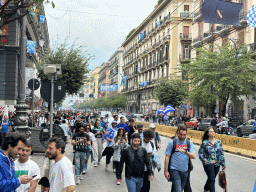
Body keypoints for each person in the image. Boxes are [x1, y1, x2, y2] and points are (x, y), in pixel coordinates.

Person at [164, 125, 196, 192]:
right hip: (174, 169)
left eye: (184, 135)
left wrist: (186, 152)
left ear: (187, 134)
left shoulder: (189, 143)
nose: (182, 136)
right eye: (180, 134)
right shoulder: (172, 142)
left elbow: (193, 156)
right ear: (177, 133)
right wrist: (166, 171)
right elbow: (167, 157)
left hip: (185, 171)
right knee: (178, 190)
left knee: (179, 189)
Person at [198, 127, 225, 192]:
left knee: (211, 178)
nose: (212, 132)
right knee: (212, 179)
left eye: (213, 131)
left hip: (217, 164)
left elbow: (221, 153)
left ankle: (205, 189)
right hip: (208, 163)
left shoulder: (218, 142)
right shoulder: (205, 143)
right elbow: (200, 153)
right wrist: (204, 159)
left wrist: (223, 164)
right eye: (210, 131)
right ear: (207, 134)